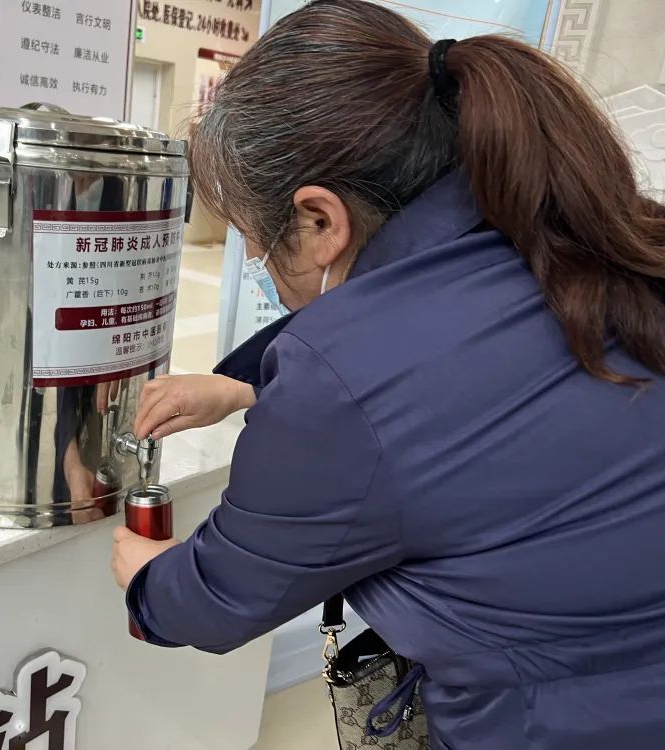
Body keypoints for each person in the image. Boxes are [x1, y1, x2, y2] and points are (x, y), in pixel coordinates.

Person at [109, 1, 665, 747]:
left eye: (254, 242)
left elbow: (216, 600)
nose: (257, 266)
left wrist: (148, 578)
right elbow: (469, 390)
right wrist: (246, 388)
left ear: (319, 221)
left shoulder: (341, 383)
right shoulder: (585, 233)